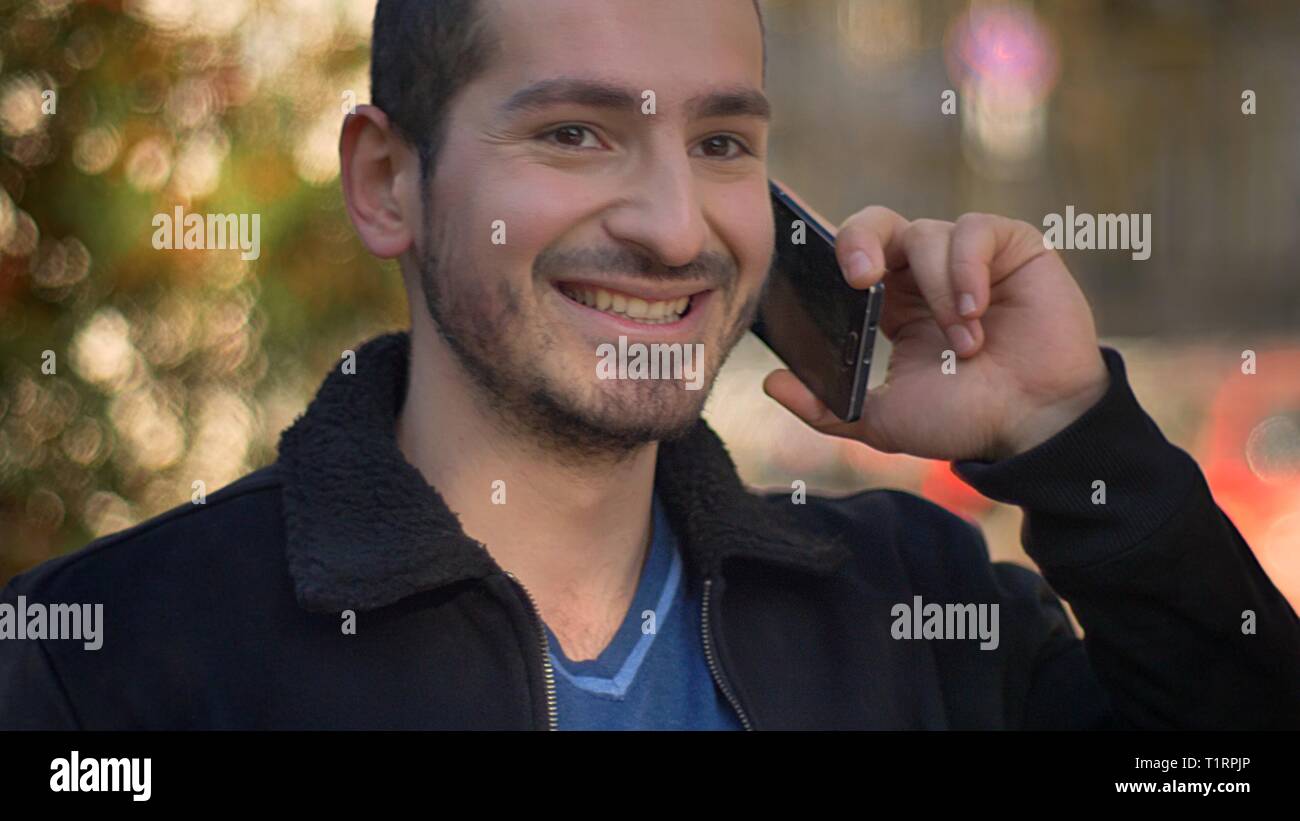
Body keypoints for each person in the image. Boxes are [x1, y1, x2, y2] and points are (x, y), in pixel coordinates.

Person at [1, 0, 1296, 730]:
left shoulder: (917, 619)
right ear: (388, 182)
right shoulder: (113, 664)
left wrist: (1070, 433)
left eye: (725, 144)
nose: (677, 226)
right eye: (577, 132)